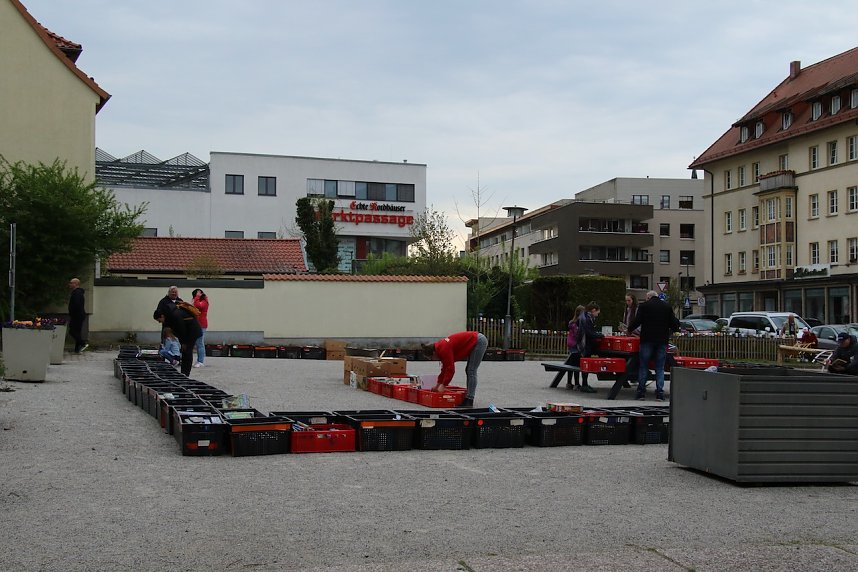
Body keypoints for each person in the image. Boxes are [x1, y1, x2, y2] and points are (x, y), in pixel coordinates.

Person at [627, 290, 680, 401]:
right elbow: (674, 324)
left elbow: (637, 321)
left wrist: (629, 329)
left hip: (647, 339)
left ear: (648, 297)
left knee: (643, 366)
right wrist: (673, 330)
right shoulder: (666, 306)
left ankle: (641, 393)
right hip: (662, 341)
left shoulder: (644, 306)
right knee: (660, 367)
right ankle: (660, 393)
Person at [421, 331, 488, 407]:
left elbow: (450, 369)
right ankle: (468, 398)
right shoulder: (440, 348)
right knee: (469, 370)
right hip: (475, 340)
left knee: (471, 370)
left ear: (433, 353)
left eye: (431, 358)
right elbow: (444, 369)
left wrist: (443, 386)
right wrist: (437, 385)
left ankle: (469, 400)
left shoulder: (443, 349)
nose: (432, 360)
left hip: (478, 341)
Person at [154, 302, 202, 377]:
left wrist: (184, 343)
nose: (160, 322)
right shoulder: (171, 315)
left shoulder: (174, 315)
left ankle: (185, 374)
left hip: (192, 332)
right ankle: (184, 373)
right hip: (189, 331)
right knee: (185, 352)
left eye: (159, 320)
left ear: (162, 316)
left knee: (187, 352)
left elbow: (181, 329)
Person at [576, 302, 604, 393]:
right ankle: (584, 384)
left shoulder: (583, 317)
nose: (597, 315)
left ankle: (585, 384)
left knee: (585, 363)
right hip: (586, 344)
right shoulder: (588, 319)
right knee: (586, 363)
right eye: (597, 313)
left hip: (583, 343)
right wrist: (599, 335)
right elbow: (589, 332)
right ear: (593, 310)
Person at [565, 305, 585, 389]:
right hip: (575, 345)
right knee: (576, 364)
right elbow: (578, 335)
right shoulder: (577, 324)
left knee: (571, 364)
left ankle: (569, 383)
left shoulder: (572, 322)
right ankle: (576, 383)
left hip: (570, 344)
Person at [67, 277, 88, 353]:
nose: (69, 284)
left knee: (72, 331)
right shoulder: (77, 292)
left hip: (77, 315)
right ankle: (77, 349)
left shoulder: (77, 293)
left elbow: (76, 304)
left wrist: (72, 313)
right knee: (77, 332)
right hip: (79, 315)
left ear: (75, 284)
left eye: (71, 283)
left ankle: (83, 344)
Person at [191, 288, 209, 368]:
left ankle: (200, 361)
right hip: (195, 324)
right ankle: (199, 360)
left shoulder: (204, 301)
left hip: (201, 324)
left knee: (200, 343)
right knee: (197, 343)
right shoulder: (197, 300)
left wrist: (197, 297)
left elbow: (199, 306)